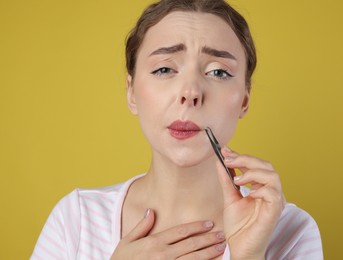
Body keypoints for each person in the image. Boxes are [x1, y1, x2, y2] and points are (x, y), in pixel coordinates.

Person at [31, 0, 323, 259]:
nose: (191, 91)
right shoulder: (76, 220)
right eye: (165, 69)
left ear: (244, 100)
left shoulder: (290, 231)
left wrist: (249, 256)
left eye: (218, 72)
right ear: (131, 93)